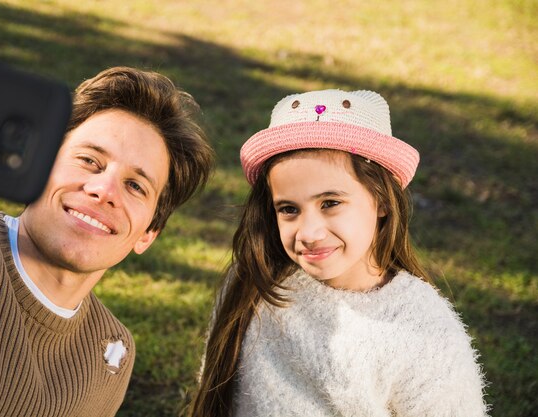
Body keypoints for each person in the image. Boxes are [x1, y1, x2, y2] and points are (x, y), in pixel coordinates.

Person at [0, 66, 214, 417]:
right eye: (89, 161)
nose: (104, 191)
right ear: (37, 165)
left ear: (148, 234)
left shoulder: (111, 353)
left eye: (136, 186)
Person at [190, 89, 489, 417]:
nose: (309, 233)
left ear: (383, 201)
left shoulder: (426, 335)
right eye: (289, 209)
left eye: (330, 203)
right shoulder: (254, 282)